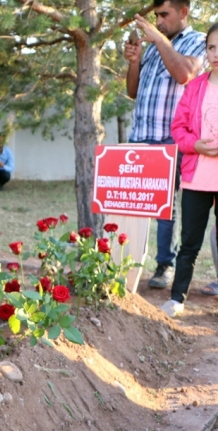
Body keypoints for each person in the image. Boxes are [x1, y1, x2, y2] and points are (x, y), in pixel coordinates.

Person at [124, 0, 206, 289]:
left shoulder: (198, 42)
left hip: (173, 138)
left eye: (164, 15)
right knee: (132, 205)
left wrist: (158, 39)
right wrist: (134, 62)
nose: (158, 21)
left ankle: (164, 266)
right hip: (141, 137)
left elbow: (185, 73)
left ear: (184, 12)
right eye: (156, 15)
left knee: (166, 206)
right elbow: (132, 91)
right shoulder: (152, 47)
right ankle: (126, 265)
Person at [160, 23, 218, 317]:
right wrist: (196, 145)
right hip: (196, 178)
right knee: (190, 243)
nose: (216, 53)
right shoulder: (195, 87)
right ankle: (177, 298)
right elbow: (178, 128)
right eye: (211, 47)